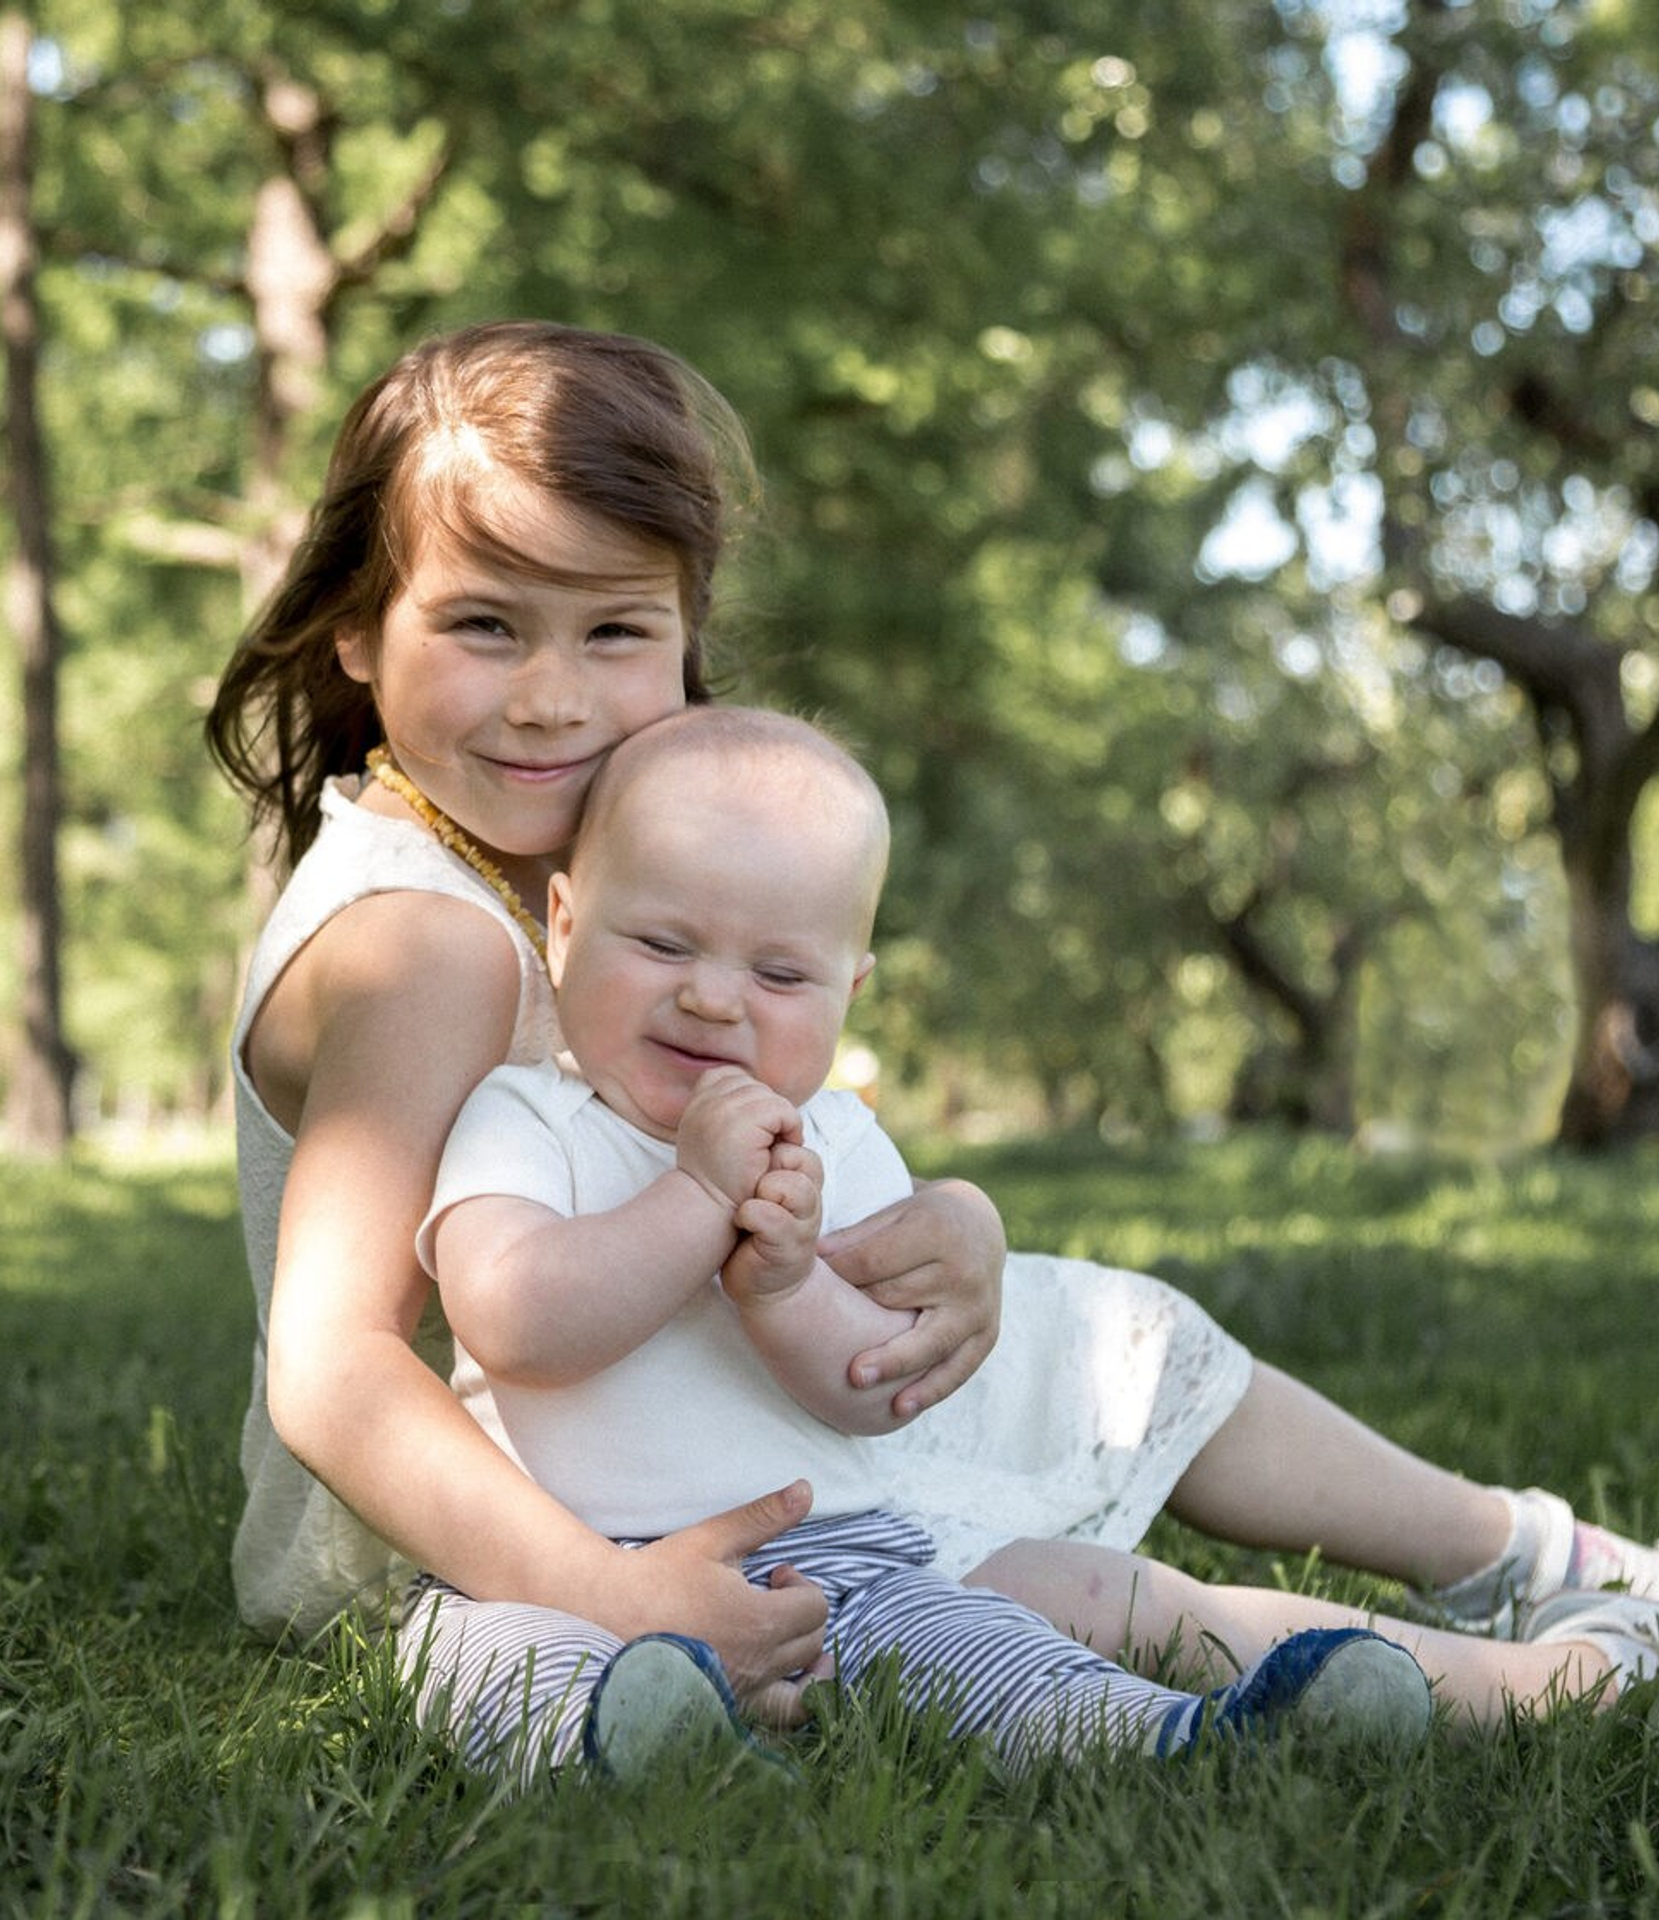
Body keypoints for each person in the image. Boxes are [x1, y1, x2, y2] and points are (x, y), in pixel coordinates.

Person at [202, 319, 1656, 1756]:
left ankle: (1525, 1570)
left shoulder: (573, 845)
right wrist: (612, 1593)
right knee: (1100, 1460)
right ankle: (1539, 1593)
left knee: (1099, 1339)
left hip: (714, 1402)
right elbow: (336, 1369)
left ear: (687, 637)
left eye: (616, 630)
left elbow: (747, 1142)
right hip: (493, 1551)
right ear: (354, 631)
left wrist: (944, 1224)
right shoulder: (427, 941)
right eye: (483, 624)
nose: (552, 696)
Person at [415, 706, 1653, 1770]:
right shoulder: (527, 1114)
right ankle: (617, 1736)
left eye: (780, 975)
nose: (713, 996)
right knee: (469, 1651)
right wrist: (693, 1201)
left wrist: (787, 1283)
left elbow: (874, 1392)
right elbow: (515, 1323)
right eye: (663, 943)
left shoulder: (834, 1145)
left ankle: (1163, 1740)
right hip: (569, 1565)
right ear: (564, 925)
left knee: (981, 1636)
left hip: (840, 1558)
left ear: (853, 993)